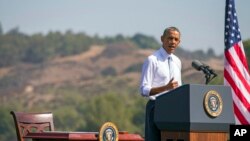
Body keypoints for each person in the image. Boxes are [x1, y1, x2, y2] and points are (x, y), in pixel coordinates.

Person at [139, 26, 182, 141]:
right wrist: (165, 88)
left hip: (174, 109)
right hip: (156, 107)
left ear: (179, 42)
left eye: (176, 39)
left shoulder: (177, 61)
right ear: (162, 39)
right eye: (170, 38)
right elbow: (144, 90)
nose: (172, 42)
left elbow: (179, 88)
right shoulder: (152, 60)